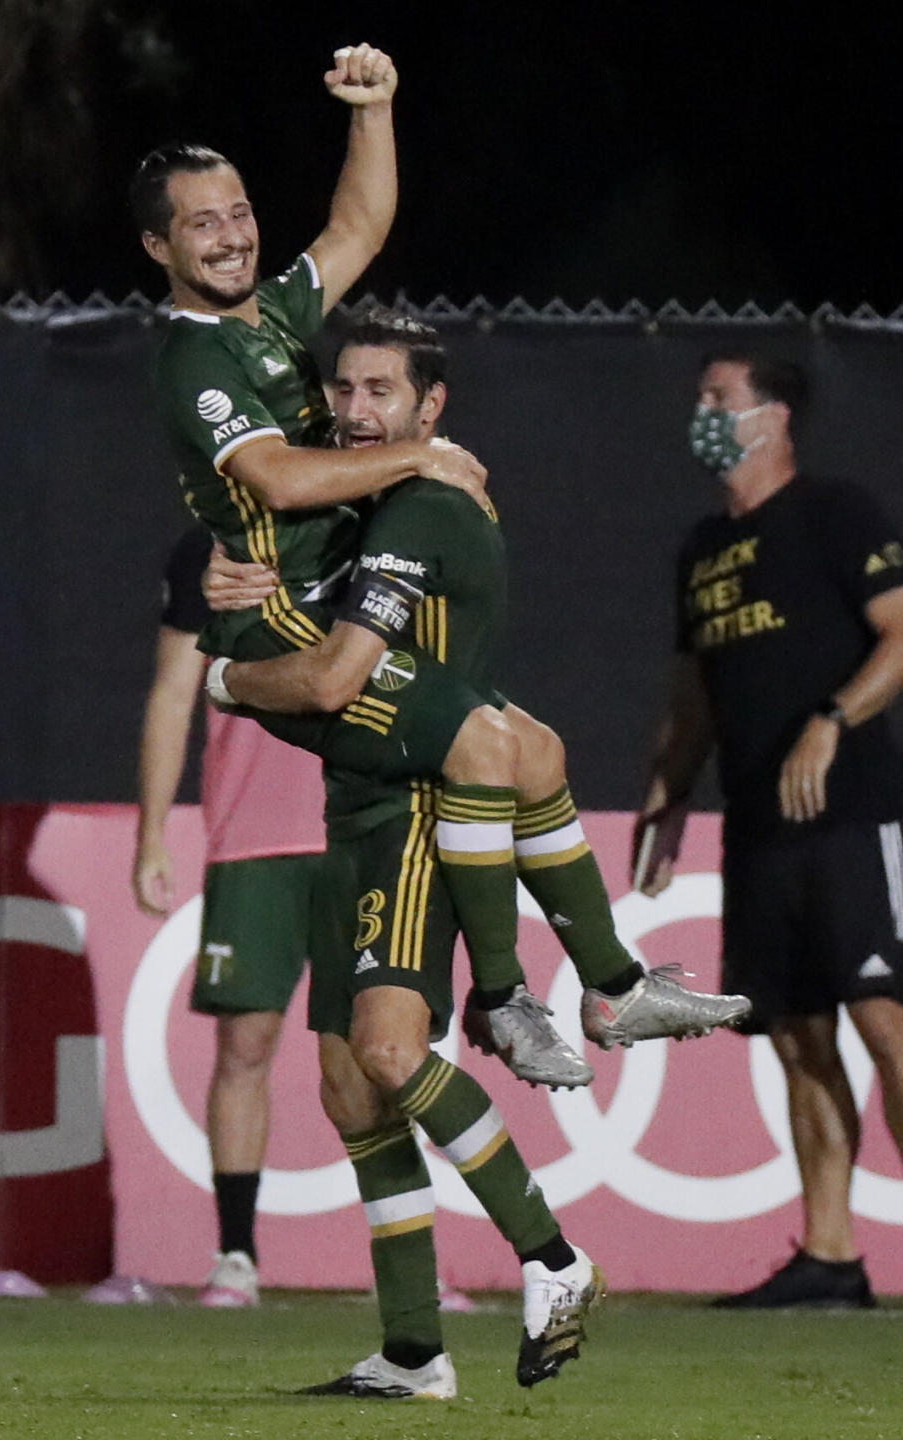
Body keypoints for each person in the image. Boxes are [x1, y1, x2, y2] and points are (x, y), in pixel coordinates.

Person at [201, 310, 751, 1395]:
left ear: (430, 410)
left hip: (410, 814)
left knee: (394, 1055)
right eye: (344, 390)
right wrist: (241, 587)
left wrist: (224, 673)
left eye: (381, 393)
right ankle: (413, 1352)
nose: (357, 412)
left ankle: (556, 1259)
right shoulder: (365, 508)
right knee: (352, 1091)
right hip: (353, 812)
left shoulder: (423, 506)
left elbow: (328, 683)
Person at [635, 346, 903, 1308]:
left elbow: (901, 631)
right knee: (797, 1036)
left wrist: (831, 723)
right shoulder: (704, 549)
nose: (702, 411)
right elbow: (694, 689)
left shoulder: (836, 512)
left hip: (850, 815)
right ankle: (831, 1256)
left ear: (775, 416)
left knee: (887, 1022)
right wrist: (667, 794)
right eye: (700, 395)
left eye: (720, 397)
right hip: (756, 827)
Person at [132, 524, 325, 1307]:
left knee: (381, 1051)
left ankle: (409, 1259)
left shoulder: (378, 518)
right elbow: (175, 691)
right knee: (245, 1043)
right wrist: (151, 833)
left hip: (366, 821)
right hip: (253, 833)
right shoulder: (209, 546)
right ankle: (236, 1255)